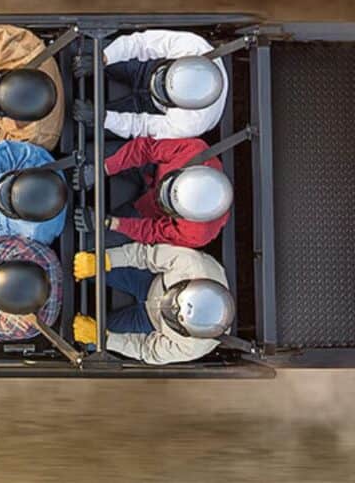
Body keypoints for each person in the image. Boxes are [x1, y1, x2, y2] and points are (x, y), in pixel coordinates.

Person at [69, 242, 233, 365]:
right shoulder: (192, 264)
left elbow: (145, 350)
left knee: (84, 340)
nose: (165, 306)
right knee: (83, 263)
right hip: (151, 281)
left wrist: (102, 339)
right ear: (188, 284)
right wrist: (103, 260)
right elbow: (145, 255)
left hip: (150, 323)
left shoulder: (194, 347)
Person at [72, 29, 228, 139]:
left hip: (151, 108)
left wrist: (102, 118)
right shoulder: (192, 47)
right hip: (148, 68)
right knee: (83, 52)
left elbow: (143, 126)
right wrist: (102, 58)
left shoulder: (192, 123)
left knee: (83, 124)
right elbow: (141, 43)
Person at [79, 136, 232, 249]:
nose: (160, 195)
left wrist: (108, 223)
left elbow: (153, 232)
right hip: (149, 169)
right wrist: (102, 169)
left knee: (87, 242)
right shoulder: (195, 151)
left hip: (148, 215)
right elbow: (146, 150)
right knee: (85, 153)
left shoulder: (198, 233)